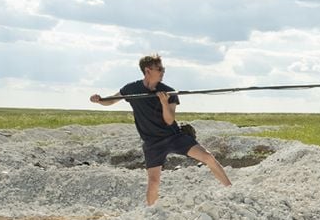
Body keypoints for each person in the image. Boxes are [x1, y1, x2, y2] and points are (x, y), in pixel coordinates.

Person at [89, 55, 232, 205]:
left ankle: (231, 191)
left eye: (163, 68)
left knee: (208, 157)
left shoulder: (169, 92)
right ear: (147, 70)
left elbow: (169, 120)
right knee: (153, 181)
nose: (163, 71)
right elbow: (111, 100)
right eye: (160, 69)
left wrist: (164, 102)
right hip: (152, 142)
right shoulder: (131, 89)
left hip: (174, 136)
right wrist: (99, 100)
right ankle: (151, 212)